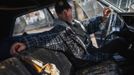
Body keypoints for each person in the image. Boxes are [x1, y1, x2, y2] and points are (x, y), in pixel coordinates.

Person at [10, 0, 129, 68]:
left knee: (117, 38)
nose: (67, 14)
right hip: (88, 59)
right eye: (63, 12)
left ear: (71, 9)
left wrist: (103, 18)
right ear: (59, 14)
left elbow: (87, 25)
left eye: (68, 11)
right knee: (119, 42)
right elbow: (45, 38)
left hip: (93, 52)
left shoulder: (75, 24)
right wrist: (25, 43)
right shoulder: (60, 31)